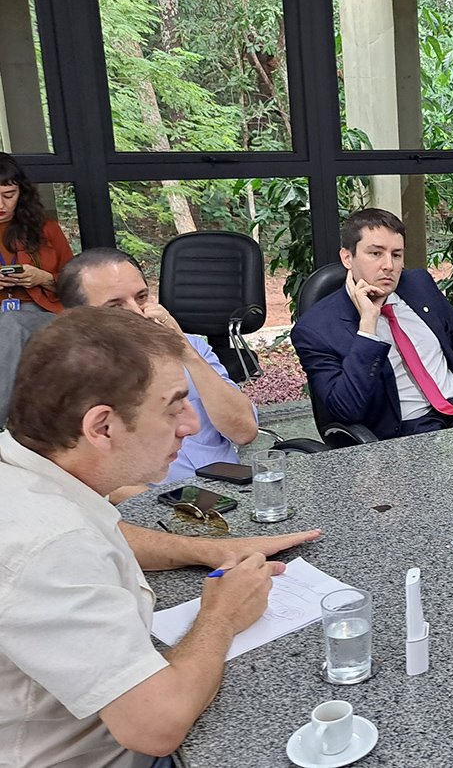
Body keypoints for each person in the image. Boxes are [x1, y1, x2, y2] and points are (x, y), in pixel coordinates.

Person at [0, 306, 320, 768]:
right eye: (173, 407)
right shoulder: (52, 546)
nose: (191, 425)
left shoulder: (28, 473)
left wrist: (211, 550)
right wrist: (222, 615)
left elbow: (109, 535)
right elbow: (154, 726)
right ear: (102, 427)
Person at [291, 208, 453, 439]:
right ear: (347, 258)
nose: (389, 265)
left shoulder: (418, 284)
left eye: (396, 255)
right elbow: (346, 409)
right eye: (376, 253)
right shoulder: (315, 328)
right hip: (403, 427)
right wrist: (368, 327)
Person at [57, 249, 258, 499]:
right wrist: (167, 507)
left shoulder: (192, 347)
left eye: (141, 297)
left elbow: (244, 431)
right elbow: (80, 474)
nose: (137, 312)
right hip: (157, 504)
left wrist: (183, 349)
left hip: (233, 489)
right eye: (116, 306)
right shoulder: (69, 376)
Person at [0, 152, 74, 313]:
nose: (1, 204)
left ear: (21, 194)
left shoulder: (46, 228)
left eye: (9, 195)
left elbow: (76, 285)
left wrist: (44, 278)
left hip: (43, 312)